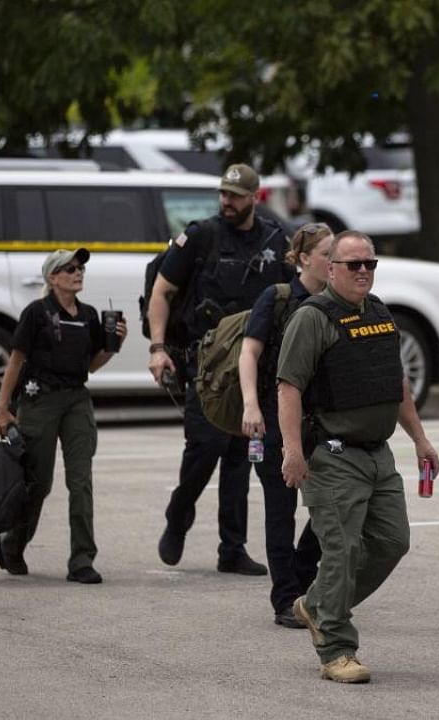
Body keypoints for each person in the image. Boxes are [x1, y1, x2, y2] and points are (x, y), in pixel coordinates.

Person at [278, 230, 439, 684]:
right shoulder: (312, 318)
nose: (364, 271)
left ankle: (317, 606)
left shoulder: (381, 315)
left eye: (370, 263)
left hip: (378, 455)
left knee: (392, 542)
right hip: (331, 455)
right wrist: (292, 451)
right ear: (331, 269)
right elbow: (288, 387)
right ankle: (336, 649)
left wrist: (420, 440)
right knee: (342, 549)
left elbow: (398, 384)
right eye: (354, 264)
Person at [147, 164, 296, 575]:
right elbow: (162, 292)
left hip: (255, 365)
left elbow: (292, 293)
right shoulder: (200, 236)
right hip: (207, 364)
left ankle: (231, 548)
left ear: (255, 197)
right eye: (223, 194)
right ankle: (179, 514)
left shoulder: (273, 238)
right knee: (205, 447)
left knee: (239, 454)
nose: (226, 202)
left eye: (235, 195)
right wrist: (158, 347)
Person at [0, 248, 126, 584]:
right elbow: (16, 361)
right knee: (38, 482)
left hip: (77, 399)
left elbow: (90, 366)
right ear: (53, 278)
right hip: (40, 401)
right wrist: (3, 408)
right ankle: (14, 545)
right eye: (69, 268)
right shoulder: (36, 313)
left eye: (80, 267)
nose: (77, 272)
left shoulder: (89, 315)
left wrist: (111, 346)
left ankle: (82, 559)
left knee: (80, 481)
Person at [238, 223, 331, 629]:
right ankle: (285, 599)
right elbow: (249, 353)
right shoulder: (276, 298)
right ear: (304, 257)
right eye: (328, 253)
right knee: (281, 510)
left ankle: (300, 573)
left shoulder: (336, 301)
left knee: (331, 505)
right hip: (275, 421)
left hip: (322, 423)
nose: (335, 262)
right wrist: (251, 406)